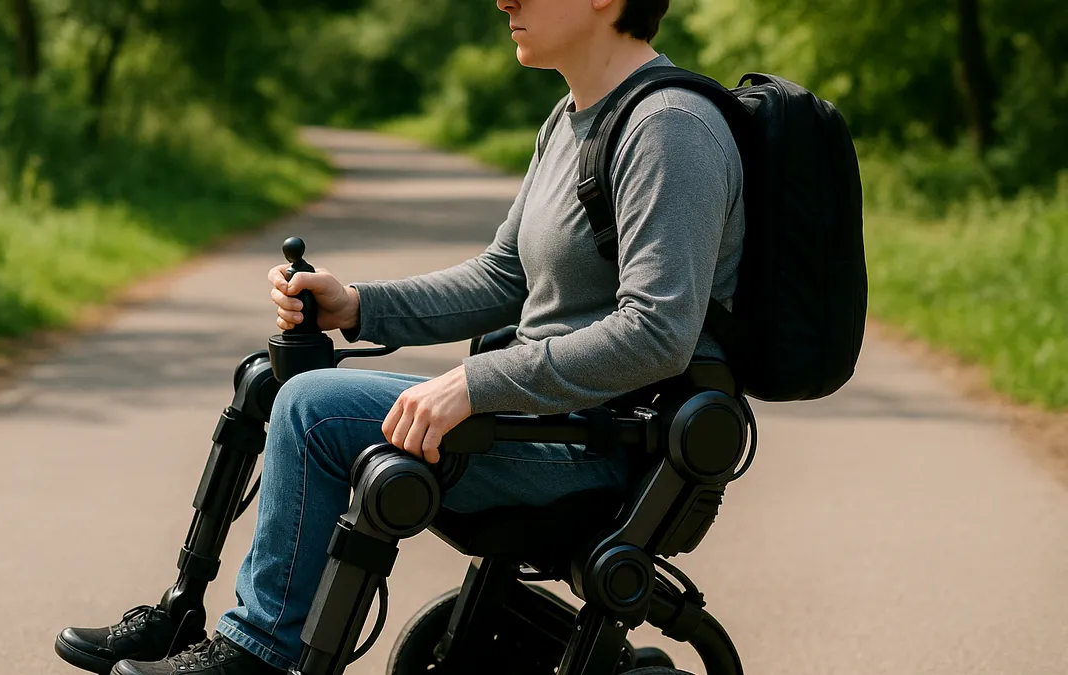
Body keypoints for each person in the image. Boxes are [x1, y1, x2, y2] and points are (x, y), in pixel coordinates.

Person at [56, 0, 745, 673]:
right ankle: (186, 609)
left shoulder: (670, 129)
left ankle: (259, 651)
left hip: (600, 448)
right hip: (543, 425)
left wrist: (475, 384)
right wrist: (354, 306)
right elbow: (501, 276)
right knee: (270, 380)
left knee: (313, 409)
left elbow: (656, 333)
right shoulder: (572, 119)